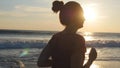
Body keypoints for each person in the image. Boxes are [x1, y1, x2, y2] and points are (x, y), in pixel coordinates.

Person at [37, 0, 97, 68]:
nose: (84, 18)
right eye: (82, 15)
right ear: (75, 17)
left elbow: (41, 62)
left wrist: (59, 62)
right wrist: (90, 61)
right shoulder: (78, 40)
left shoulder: (56, 38)